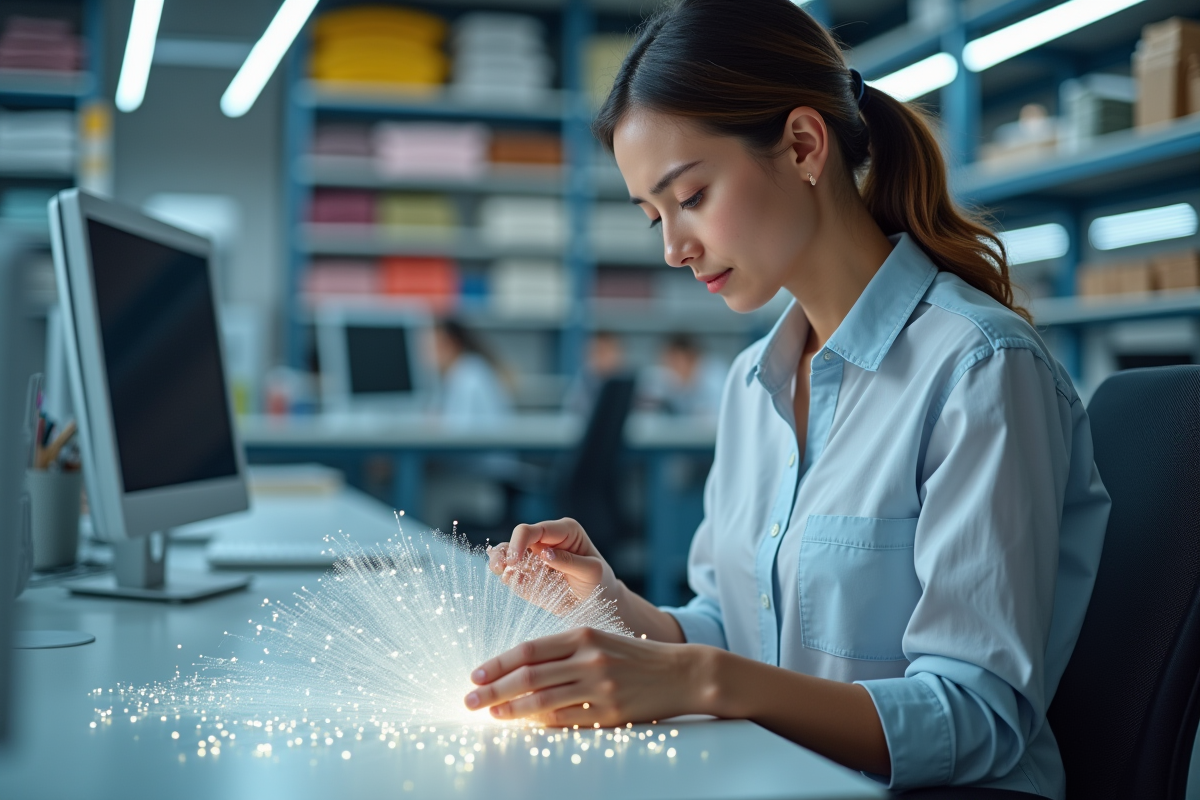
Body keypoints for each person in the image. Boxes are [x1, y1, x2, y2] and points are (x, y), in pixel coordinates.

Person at [461, 2, 1111, 798]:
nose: (673, 247)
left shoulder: (980, 370)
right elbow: (734, 633)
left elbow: (977, 716)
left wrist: (706, 680)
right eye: (654, 215)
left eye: (690, 196)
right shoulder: (750, 385)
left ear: (803, 146)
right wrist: (612, 606)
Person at [428, 319, 511, 427]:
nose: (428, 354)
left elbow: (460, 433)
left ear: (451, 345)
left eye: (432, 347)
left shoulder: (469, 377)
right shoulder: (455, 374)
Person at [640, 333, 726, 416]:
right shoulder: (671, 382)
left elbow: (715, 419)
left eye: (673, 362)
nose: (668, 369)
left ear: (689, 357)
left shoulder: (714, 377)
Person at [563, 330, 626, 415]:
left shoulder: (627, 380)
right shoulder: (585, 381)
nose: (596, 358)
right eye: (592, 353)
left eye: (602, 352)